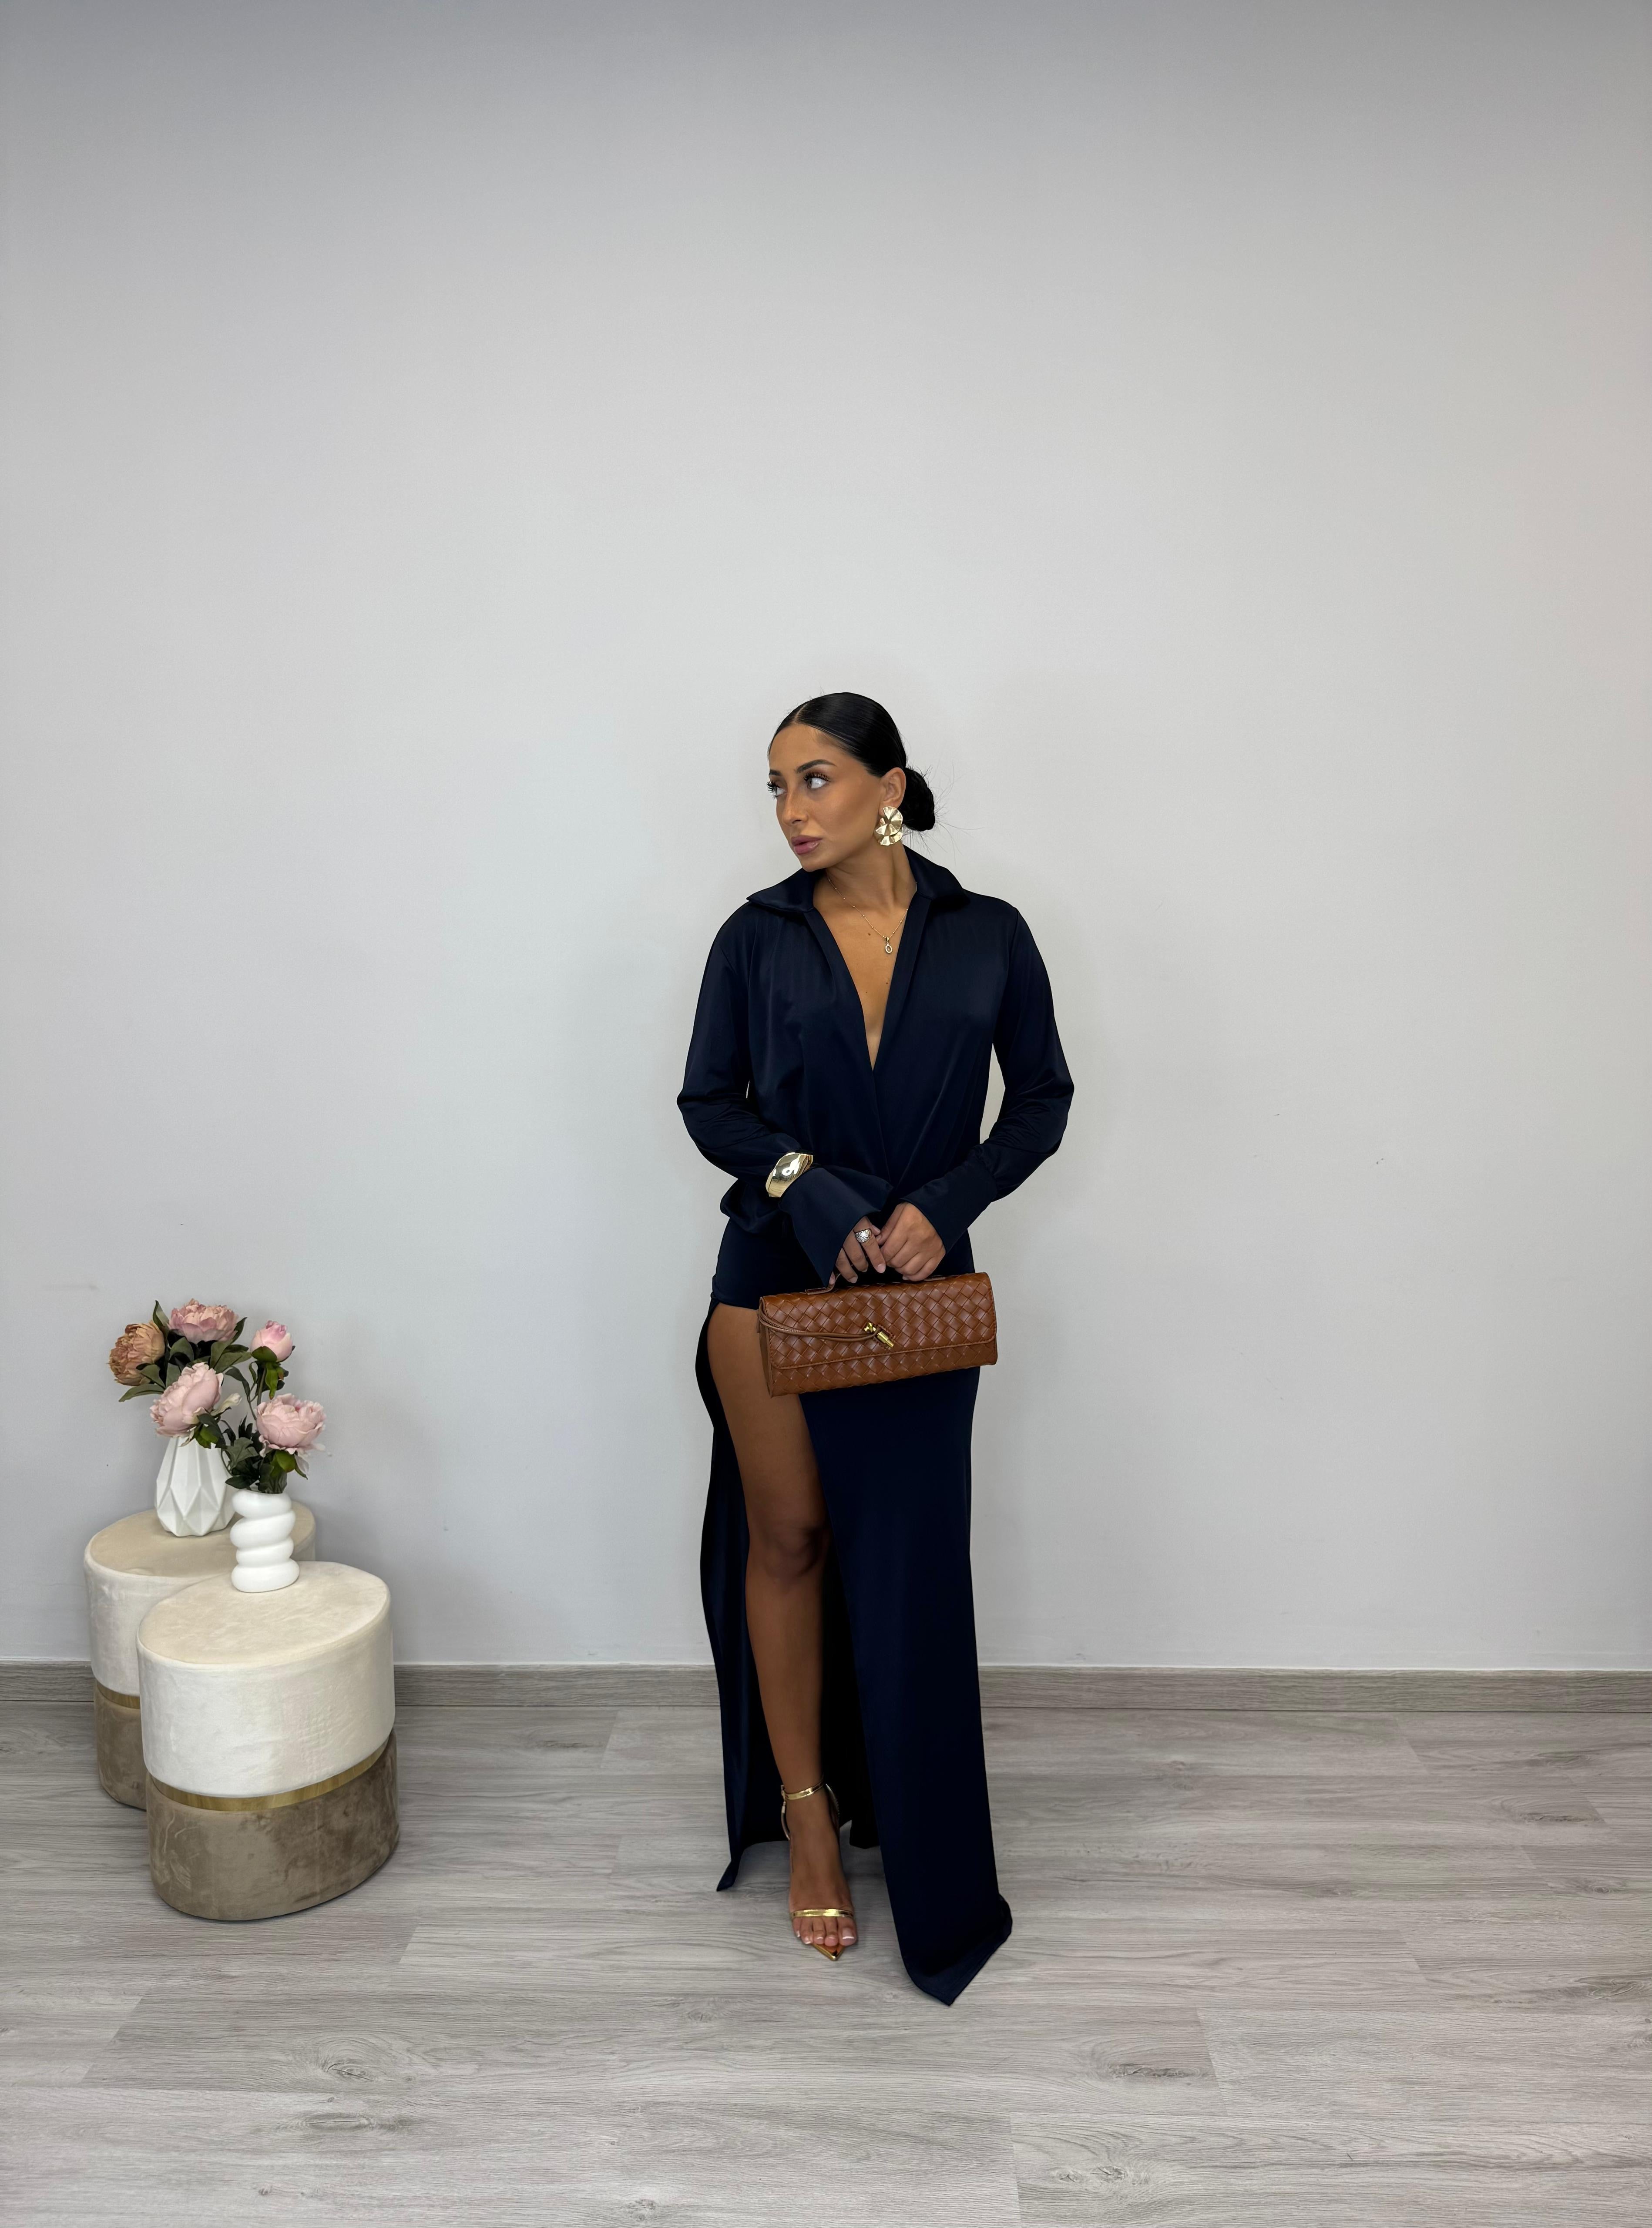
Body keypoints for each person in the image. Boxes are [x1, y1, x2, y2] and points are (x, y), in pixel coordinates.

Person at [677, 691, 1073, 2003]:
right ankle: (806, 1813)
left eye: (817, 779)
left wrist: (942, 1207)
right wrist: (816, 1193)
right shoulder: (755, 936)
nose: (791, 810)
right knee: (789, 1537)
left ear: (889, 787)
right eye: (776, 787)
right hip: (770, 1278)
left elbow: (1042, 1101)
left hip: (917, 1293)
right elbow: (711, 1104)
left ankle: (913, 1819)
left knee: (907, 1570)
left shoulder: (989, 935)